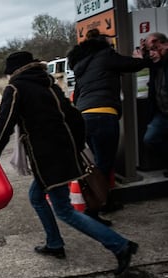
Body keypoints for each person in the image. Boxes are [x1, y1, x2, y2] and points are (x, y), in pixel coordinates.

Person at [0, 51, 138, 276]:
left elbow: (4, 126)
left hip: (48, 159)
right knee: (36, 197)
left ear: (12, 72)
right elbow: (75, 116)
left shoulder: (16, 88)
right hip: (63, 154)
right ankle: (54, 243)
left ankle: (120, 245)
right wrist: (74, 147)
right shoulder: (48, 84)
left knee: (65, 210)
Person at [66, 28, 151, 223]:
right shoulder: (105, 55)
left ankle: (106, 202)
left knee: (97, 163)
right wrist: (141, 58)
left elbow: (78, 95)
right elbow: (131, 65)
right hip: (104, 115)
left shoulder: (81, 65)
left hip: (84, 117)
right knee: (104, 165)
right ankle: (94, 210)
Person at [137, 32, 168, 177]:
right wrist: (143, 53)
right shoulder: (156, 65)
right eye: (150, 50)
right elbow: (146, 63)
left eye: (154, 49)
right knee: (150, 138)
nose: (152, 54)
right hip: (162, 112)